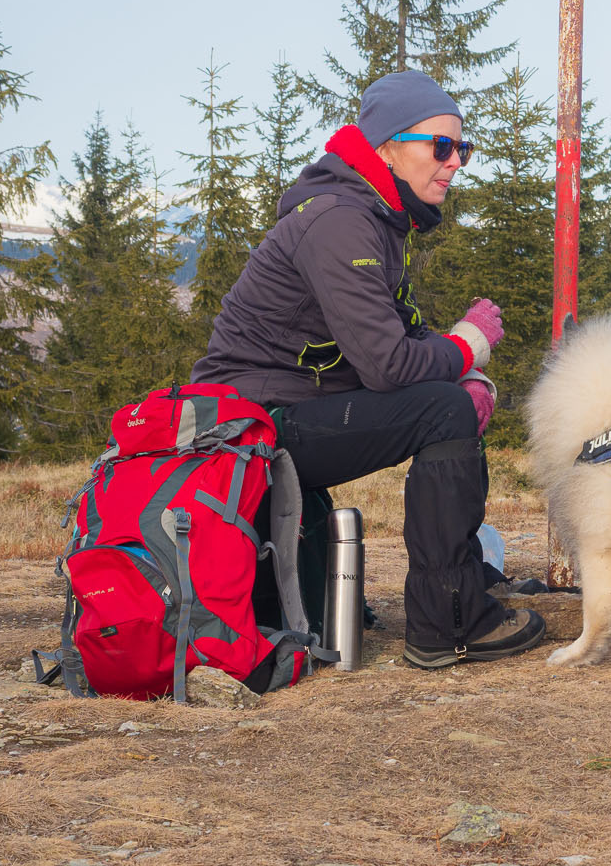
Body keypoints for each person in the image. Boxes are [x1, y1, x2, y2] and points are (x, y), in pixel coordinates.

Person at [193, 69, 546, 670]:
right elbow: (387, 365)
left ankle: (443, 600)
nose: (455, 161)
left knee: (448, 398)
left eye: (463, 147)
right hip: (248, 434)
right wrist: (467, 349)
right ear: (387, 145)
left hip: (269, 419)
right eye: (440, 146)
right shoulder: (342, 221)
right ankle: (448, 621)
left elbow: (395, 339)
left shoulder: (373, 218)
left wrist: (456, 364)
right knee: (446, 410)